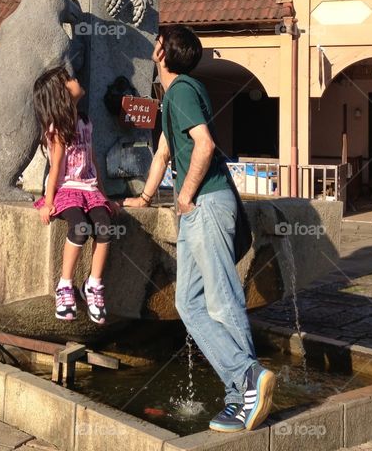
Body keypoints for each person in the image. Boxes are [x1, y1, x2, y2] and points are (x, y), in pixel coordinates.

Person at [124, 24, 275, 433]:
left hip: (206, 204)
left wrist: (186, 195)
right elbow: (164, 151)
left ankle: (244, 384)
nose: (152, 45)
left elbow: (204, 144)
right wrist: (146, 196)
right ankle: (244, 383)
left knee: (222, 301)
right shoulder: (175, 94)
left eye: (157, 41)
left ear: (162, 53)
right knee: (189, 304)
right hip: (198, 209)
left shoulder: (184, 90)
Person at [33, 66, 117, 324]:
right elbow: (55, 168)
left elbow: (91, 160)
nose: (76, 79)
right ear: (61, 93)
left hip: (88, 188)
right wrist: (48, 203)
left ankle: (93, 284)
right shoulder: (58, 128)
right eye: (69, 79)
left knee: (105, 227)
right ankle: (65, 284)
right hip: (66, 189)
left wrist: (104, 195)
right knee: (80, 227)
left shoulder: (85, 121)